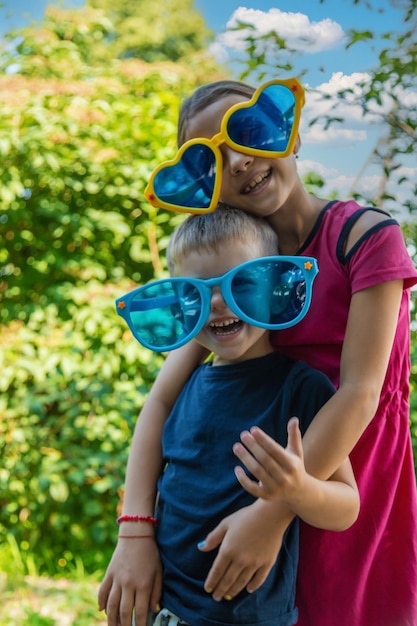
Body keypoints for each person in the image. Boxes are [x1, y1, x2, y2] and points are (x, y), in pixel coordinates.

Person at [100, 78, 417, 626]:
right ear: (206, 188)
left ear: (285, 133)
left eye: (246, 133)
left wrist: (270, 515)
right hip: (255, 491)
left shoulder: (363, 238)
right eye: (217, 160)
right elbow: (161, 402)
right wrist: (135, 531)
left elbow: (362, 393)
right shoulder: (233, 275)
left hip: (346, 475)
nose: (240, 161)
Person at [100, 205, 360, 626]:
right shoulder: (183, 385)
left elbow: (347, 507)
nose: (219, 302)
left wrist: (296, 492)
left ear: (272, 285)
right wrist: (133, 534)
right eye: (198, 291)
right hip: (161, 605)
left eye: (241, 283)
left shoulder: (300, 388)